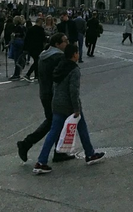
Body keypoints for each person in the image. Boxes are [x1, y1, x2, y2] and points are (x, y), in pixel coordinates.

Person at [32, 44, 105, 174]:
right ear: (74, 54)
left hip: (57, 103)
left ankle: (41, 161)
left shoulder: (60, 67)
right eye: (78, 52)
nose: (79, 55)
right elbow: (73, 91)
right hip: (70, 105)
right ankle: (90, 154)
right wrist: (76, 109)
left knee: (53, 132)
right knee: (82, 128)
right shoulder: (74, 70)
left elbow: (55, 86)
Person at [18, 33, 71, 164]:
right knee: (55, 121)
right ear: (57, 44)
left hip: (44, 92)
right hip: (54, 95)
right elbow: (60, 77)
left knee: (55, 121)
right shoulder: (58, 57)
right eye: (65, 41)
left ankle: (59, 152)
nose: (67, 43)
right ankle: (27, 144)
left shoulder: (44, 54)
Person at [9, 16, 27, 81]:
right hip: (22, 43)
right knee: (19, 58)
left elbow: (14, 35)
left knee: (16, 59)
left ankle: (16, 74)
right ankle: (18, 72)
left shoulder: (16, 27)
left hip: (17, 43)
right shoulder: (23, 27)